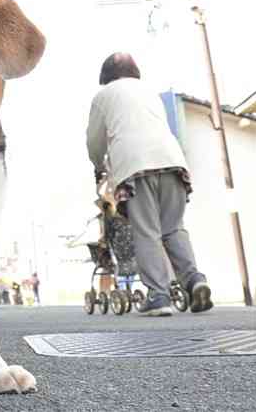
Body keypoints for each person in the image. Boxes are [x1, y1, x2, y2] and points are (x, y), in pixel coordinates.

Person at [86, 52, 212, 316]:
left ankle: (159, 296)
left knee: (147, 231)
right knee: (174, 228)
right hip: (173, 161)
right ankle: (194, 280)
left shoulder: (104, 96)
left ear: (106, 76)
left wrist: (98, 166)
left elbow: (95, 142)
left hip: (135, 166)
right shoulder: (148, 92)